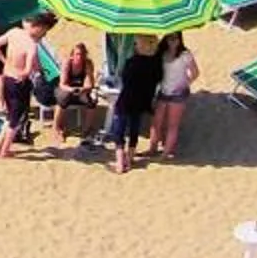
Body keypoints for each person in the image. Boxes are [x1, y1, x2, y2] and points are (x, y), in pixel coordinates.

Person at [0, 10, 55, 158]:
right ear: (39, 27)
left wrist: (5, 61)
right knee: (16, 119)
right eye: (44, 31)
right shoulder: (31, 45)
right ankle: (5, 151)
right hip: (19, 84)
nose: (43, 35)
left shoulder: (14, 32)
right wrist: (34, 72)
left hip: (7, 78)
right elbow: (28, 69)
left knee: (10, 116)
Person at [110, 37, 164, 173]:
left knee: (119, 130)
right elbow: (157, 81)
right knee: (134, 129)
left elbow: (124, 79)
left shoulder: (132, 62)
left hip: (127, 99)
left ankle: (120, 162)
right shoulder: (156, 65)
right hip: (142, 101)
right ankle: (129, 159)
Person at [150, 31, 198, 158]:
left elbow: (195, 73)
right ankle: (152, 149)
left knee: (172, 125)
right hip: (163, 91)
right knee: (156, 123)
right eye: (170, 38)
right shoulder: (161, 53)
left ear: (180, 39)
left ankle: (165, 153)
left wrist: (184, 84)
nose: (173, 41)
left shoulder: (185, 54)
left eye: (175, 38)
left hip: (178, 94)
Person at [53, 40, 104, 145]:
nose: (79, 57)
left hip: (81, 90)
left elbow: (90, 84)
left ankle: (86, 130)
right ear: (72, 55)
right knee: (63, 98)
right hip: (67, 89)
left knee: (92, 101)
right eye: (77, 54)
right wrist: (71, 90)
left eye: (82, 54)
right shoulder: (67, 63)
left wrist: (82, 90)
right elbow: (62, 84)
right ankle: (57, 128)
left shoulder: (88, 64)